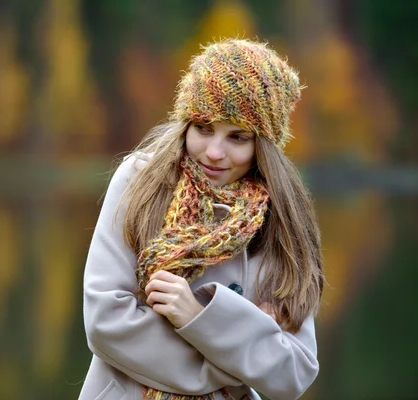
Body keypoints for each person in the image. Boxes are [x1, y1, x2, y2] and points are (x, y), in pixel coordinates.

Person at [79, 38, 324, 400]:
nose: (213, 152)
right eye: (203, 128)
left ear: (263, 146)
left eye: (237, 137)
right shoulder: (140, 181)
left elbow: (293, 373)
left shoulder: (282, 220)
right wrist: (230, 367)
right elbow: (105, 322)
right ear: (185, 123)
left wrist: (197, 315)